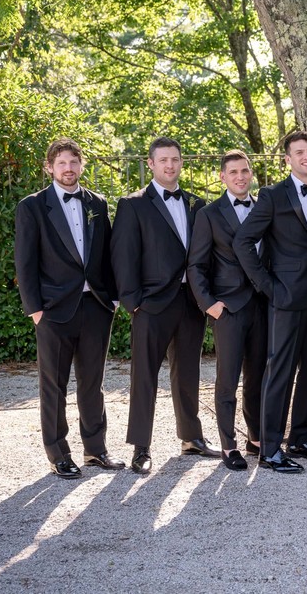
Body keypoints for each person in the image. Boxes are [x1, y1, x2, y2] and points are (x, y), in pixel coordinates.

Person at [14, 139, 124, 478]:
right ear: (49, 167)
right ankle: (58, 453)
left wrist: (114, 298)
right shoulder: (32, 207)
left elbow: (107, 254)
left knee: (93, 383)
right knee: (54, 385)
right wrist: (35, 309)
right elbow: (25, 261)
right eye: (61, 163)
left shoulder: (98, 202)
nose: (68, 169)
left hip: (96, 307)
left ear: (82, 165)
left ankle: (95, 449)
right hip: (53, 309)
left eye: (74, 162)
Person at [233, 130, 307, 473]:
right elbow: (243, 242)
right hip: (285, 295)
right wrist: (268, 286)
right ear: (288, 159)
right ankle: (270, 448)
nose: (306, 156)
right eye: (299, 152)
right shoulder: (272, 195)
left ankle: (301, 438)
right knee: (279, 370)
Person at [111, 137, 218, 474]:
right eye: (163, 160)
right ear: (152, 163)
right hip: (151, 304)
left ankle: (191, 438)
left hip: (190, 303)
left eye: (175, 159)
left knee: (188, 373)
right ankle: (141, 448)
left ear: (181, 162)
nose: (170, 165)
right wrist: (133, 303)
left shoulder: (196, 204)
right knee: (144, 377)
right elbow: (123, 256)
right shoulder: (133, 204)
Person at [187, 150, 268, 472]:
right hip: (228, 309)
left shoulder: (264, 207)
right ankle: (228, 444)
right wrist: (210, 304)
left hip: (262, 305)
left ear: (251, 174)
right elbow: (196, 265)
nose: (240, 177)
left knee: (258, 377)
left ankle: (256, 437)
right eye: (233, 172)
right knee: (227, 380)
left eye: (245, 171)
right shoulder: (209, 214)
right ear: (223, 177)